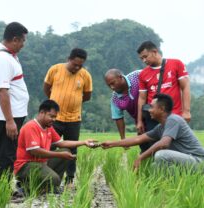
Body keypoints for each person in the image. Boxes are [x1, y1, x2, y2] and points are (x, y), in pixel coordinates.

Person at [102, 94, 204, 171]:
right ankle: (166, 190)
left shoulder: (174, 120)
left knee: (161, 155)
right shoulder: (160, 127)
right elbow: (138, 139)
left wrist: (141, 157)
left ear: (161, 109)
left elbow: (164, 144)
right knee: (154, 167)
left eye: (151, 107)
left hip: (198, 161)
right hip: (188, 161)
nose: (149, 110)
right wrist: (111, 144)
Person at [14, 100, 97, 193]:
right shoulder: (31, 127)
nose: (54, 119)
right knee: (54, 179)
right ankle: (26, 186)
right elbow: (35, 151)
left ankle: (48, 186)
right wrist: (60, 155)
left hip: (41, 164)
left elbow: (62, 143)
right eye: (51, 116)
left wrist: (83, 142)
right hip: (26, 165)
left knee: (66, 150)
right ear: (42, 113)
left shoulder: (48, 128)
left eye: (55, 117)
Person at [43, 48, 93, 186]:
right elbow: (46, 88)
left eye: (80, 65)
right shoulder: (55, 69)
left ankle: (70, 179)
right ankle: (48, 175)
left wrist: (74, 101)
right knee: (51, 146)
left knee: (72, 149)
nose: (77, 67)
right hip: (55, 119)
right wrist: (55, 103)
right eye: (74, 64)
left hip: (74, 119)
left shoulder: (85, 75)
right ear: (68, 59)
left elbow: (87, 96)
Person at [0, 22, 29, 181]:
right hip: (8, 116)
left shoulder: (9, 56)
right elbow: (1, 90)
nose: (23, 45)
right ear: (14, 39)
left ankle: (5, 188)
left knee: (9, 152)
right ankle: (1, 189)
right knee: (6, 154)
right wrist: (10, 121)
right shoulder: (2, 59)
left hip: (13, 114)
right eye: (22, 41)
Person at [136, 41, 191, 138]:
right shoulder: (143, 74)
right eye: (141, 59)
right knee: (154, 147)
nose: (144, 60)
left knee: (174, 145)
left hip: (174, 115)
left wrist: (186, 111)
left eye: (146, 56)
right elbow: (142, 98)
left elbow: (185, 87)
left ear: (154, 51)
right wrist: (140, 121)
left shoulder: (176, 64)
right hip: (153, 117)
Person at [104, 69, 141, 139]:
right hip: (140, 122)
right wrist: (123, 138)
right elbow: (118, 118)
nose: (112, 87)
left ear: (120, 77)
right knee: (145, 146)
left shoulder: (137, 76)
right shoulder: (115, 99)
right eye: (109, 85)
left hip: (156, 114)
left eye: (113, 83)